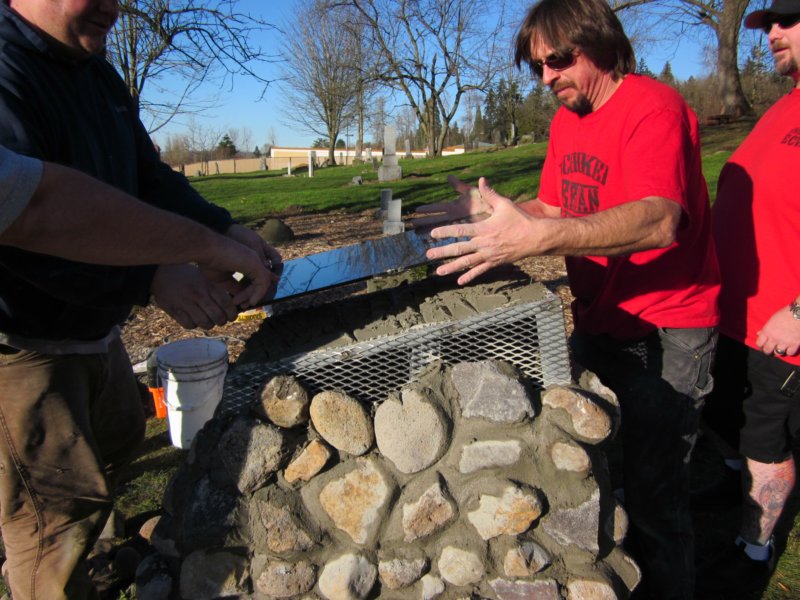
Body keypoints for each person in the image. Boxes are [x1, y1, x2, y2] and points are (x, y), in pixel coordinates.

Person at [416, 0, 720, 598]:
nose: (546, 77)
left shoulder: (654, 108)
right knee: (596, 469)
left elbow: (660, 219)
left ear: (600, 42)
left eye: (557, 60)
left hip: (669, 327)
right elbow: (553, 208)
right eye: (537, 67)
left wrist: (537, 238)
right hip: (599, 319)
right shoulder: (566, 121)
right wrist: (492, 218)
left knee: (658, 498)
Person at [0, 1, 281, 598]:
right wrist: (152, 274)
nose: (113, 6)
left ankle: (103, 559)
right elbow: (32, 223)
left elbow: (148, 178)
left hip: (93, 330)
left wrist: (223, 229)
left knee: (118, 441)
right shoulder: (6, 70)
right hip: (21, 344)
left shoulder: (97, 73)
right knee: (53, 523)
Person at [694, 0, 800, 594]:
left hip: (782, 327)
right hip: (736, 313)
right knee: (726, 415)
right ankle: (737, 487)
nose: (773, 33)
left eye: (789, 19)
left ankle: (754, 547)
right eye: (768, 24)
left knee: (765, 437)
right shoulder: (785, 105)